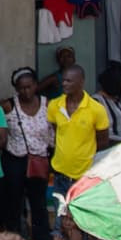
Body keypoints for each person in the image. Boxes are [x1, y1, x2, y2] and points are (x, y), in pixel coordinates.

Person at [0, 68, 55, 240]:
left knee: (38, 203)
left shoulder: (48, 105)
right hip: (15, 160)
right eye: (21, 88)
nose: (26, 92)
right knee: (13, 202)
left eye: (29, 87)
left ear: (36, 85)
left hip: (39, 160)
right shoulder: (8, 106)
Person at [48, 64, 111, 195]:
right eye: (63, 80)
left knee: (80, 215)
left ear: (81, 82)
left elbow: (103, 142)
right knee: (61, 214)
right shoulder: (54, 106)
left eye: (69, 81)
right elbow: (56, 132)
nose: (64, 84)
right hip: (60, 174)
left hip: (85, 176)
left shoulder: (96, 109)